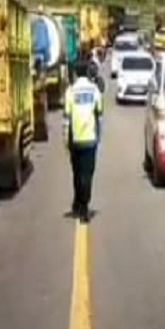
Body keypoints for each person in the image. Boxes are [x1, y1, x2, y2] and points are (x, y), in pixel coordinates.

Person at [63, 58, 104, 222]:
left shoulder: (70, 91)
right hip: (90, 140)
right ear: (88, 72)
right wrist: (99, 136)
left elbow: (67, 119)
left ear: (75, 72)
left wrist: (66, 140)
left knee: (77, 173)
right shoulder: (94, 90)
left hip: (75, 140)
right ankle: (84, 207)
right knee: (87, 174)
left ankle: (78, 203)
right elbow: (100, 115)